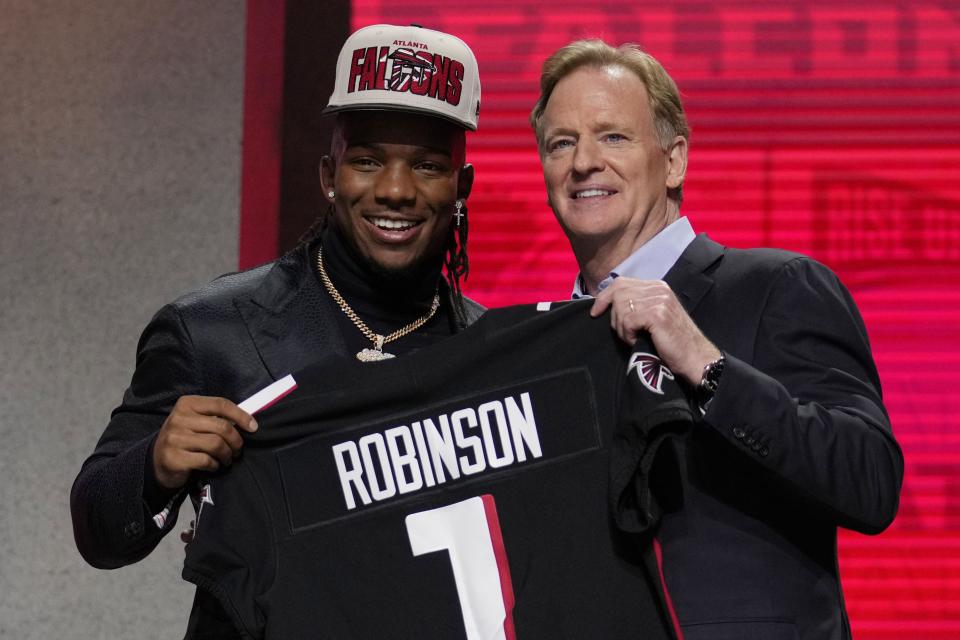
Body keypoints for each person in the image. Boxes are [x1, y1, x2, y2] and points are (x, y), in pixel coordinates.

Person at [71, 23, 484, 636]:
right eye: (367, 161)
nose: (395, 190)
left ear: (461, 189)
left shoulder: (486, 351)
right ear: (329, 175)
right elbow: (97, 531)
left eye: (427, 165)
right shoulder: (211, 330)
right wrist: (154, 465)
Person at [529, 39, 904, 640]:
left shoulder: (776, 287)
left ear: (674, 160)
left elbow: (870, 480)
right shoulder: (542, 346)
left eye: (613, 137)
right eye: (561, 143)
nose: (583, 163)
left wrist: (705, 363)